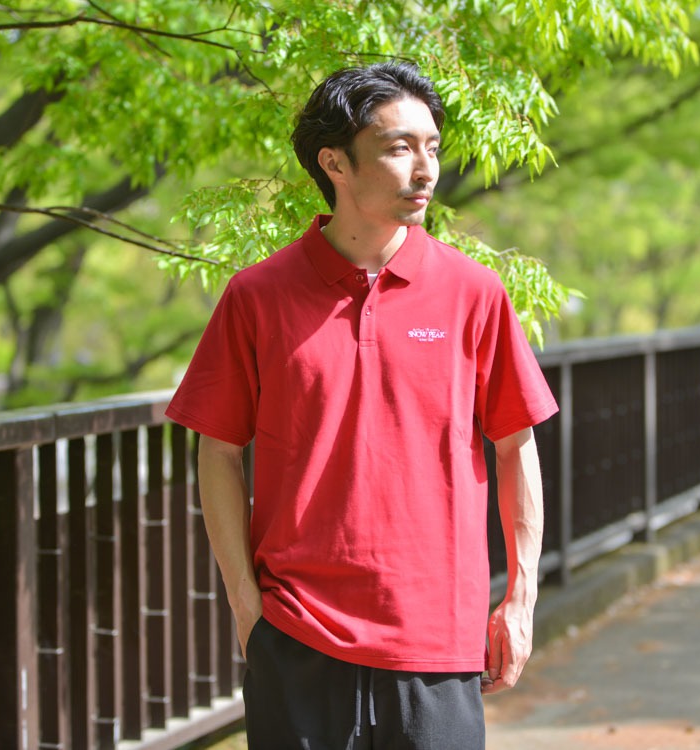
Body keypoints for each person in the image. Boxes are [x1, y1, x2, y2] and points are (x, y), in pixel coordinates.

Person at [165, 60, 558, 749]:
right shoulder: (258, 296)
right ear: (335, 163)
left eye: (432, 147)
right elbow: (218, 451)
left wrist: (520, 599)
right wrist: (247, 607)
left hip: (436, 637)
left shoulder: (473, 293)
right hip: (297, 635)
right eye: (399, 148)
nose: (425, 169)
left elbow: (514, 445)